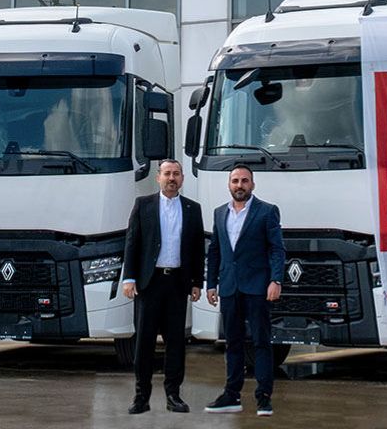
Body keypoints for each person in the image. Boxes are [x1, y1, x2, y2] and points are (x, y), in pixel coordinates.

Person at [120, 159, 205, 414]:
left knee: (176, 343)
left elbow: (198, 248)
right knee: (144, 343)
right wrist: (129, 278)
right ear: (158, 177)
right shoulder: (143, 205)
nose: (172, 178)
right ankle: (141, 397)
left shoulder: (192, 209)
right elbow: (132, 243)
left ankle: (173, 396)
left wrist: (197, 282)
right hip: (149, 284)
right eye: (167, 173)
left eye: (176, 174)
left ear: (182, 179)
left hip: (177, 284)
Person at [204, 165, 285, 417]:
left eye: (244, 181)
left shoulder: (267, 211)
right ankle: (231, 395)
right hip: (229, 287)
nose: (240, 185)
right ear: (229, 184)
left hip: (258, 287)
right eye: (235, 181)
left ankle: (264, 397)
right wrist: (211, 284)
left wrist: (276, 280)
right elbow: (215, 250)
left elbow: (276, 249)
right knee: (233, 343)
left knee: (261, 342)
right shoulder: (220, 213)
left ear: (252, 184)